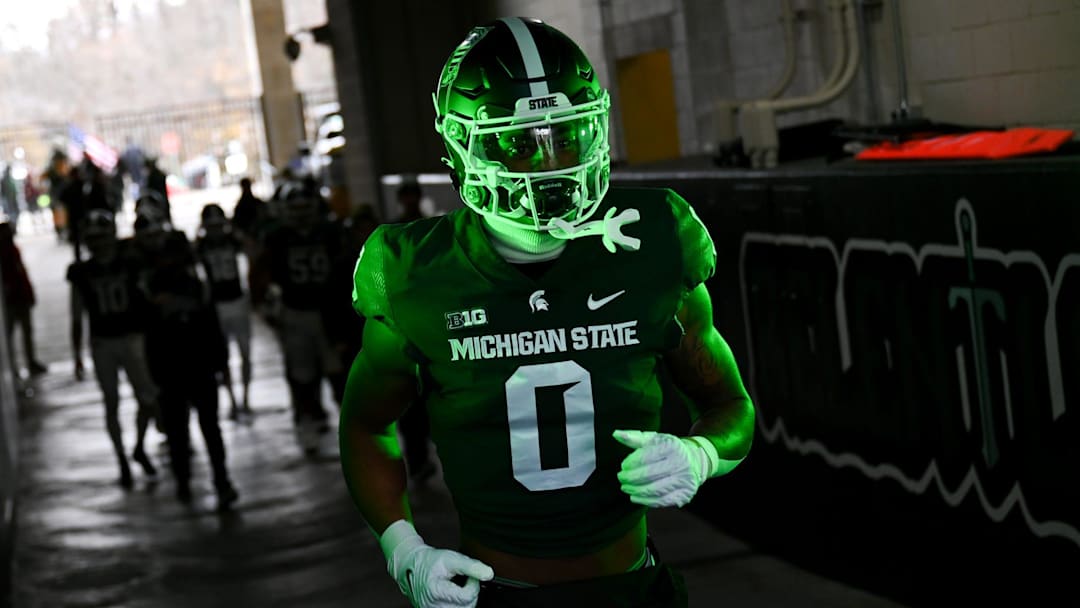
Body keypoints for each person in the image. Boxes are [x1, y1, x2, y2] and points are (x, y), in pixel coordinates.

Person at [339, 17, 756, 608]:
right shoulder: (413, 272)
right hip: (497, 591)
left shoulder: (657, 238)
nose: (549, 162)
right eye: (516, 139)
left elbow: (729, 405)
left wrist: (702, 453)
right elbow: (366, 425)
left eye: (566, 134)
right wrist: (402, 546)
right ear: (462, 146)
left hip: (634, 584)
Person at [143, 224, 238, 509]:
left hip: (190, 368)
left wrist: (220, 361)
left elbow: (210, 326)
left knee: (192, 430)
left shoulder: (189, 286)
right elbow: (153, 334)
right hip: (184, 369)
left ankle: (209, 482)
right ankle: (207, 482)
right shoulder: (171, 288)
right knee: (190, 431)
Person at [67, 209, 160, 488]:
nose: (100, 244)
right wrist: (77, 354)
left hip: (130, 336)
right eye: (94, 239)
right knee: (113, 402)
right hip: (104, 341)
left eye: (102, 237)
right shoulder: (83, 271)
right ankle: (122, 457)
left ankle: (138, 447)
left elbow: (147, 297)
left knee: (147, 398)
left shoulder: (129, 262)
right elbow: (76, 313)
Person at [251, 178, 342, 452]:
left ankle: (351, 424)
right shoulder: (278, 237)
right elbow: (262, 273)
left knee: (339, 372)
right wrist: (265, 306)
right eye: (296, 208)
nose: (301, 214)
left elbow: (346, 267)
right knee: (302, 375)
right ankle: (308, 421)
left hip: (329, 313)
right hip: (296, 311)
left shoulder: (329, 232)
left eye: (305, 208)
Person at [194, 203, 254, 421]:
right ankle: (233, 400)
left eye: (218, 225)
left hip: (236, 300)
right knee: (223, 358)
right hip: (217, 305)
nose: (215, 230)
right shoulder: (201, 246)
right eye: (212, 226)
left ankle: (245, 398)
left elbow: (251, 249)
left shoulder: (231, 240)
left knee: (245, 353)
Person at [0, 221, 47, 379]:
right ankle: (20, 364)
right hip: (13, 300)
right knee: (15, 334)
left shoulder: (12, 250)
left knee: (23, 333)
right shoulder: (7, 252)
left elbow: (21, 275)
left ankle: (27, 362)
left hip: (19, 298)